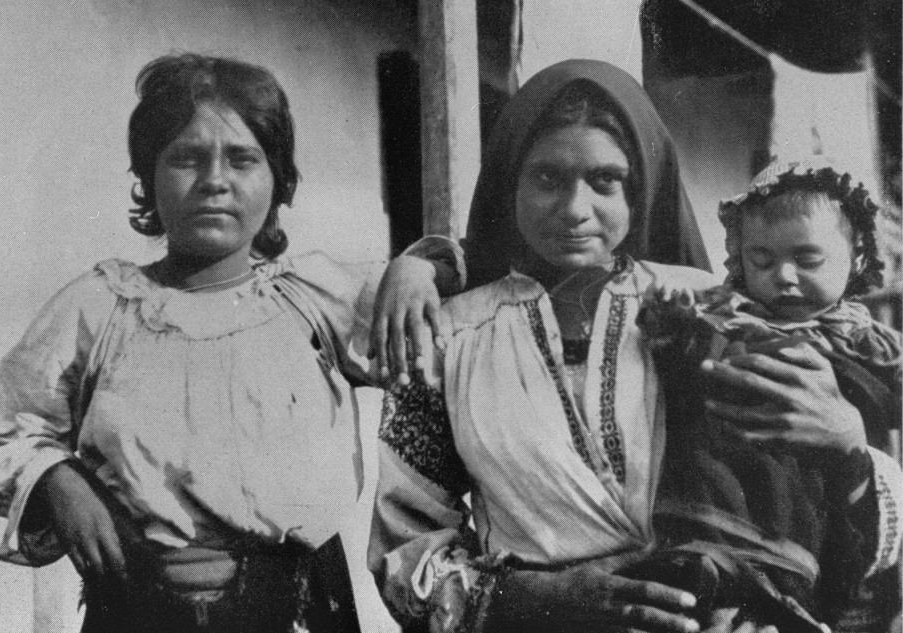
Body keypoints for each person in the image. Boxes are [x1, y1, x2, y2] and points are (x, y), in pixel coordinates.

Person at [366, 59, 903, 633]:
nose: (575, 209)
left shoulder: (711, 308)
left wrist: (847, 445)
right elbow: (406, 551)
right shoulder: (445, 340)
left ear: (641, 186)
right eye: (547, 178)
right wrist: (534, 597)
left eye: (605, 180)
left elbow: (808, 485)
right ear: (508, 180)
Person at [0, 53, 457, 633]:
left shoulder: (313, 300)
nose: (215, 180)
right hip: (134, 612)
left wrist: (423, 268)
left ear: (279, 179)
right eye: (187, 159)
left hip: (297, 612)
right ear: (148, 177)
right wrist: (55, 478)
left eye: (242, 159)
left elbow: (460, 294)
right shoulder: (100, 308)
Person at [634, 158, 902, 630]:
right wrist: (669, 321)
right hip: (711, 486)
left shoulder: (860, 340)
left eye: (807, 260)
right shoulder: (726, 316)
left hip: (804, 502)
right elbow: (683, 364)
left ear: (857, 257)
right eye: (762, 260)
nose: (784, 275)